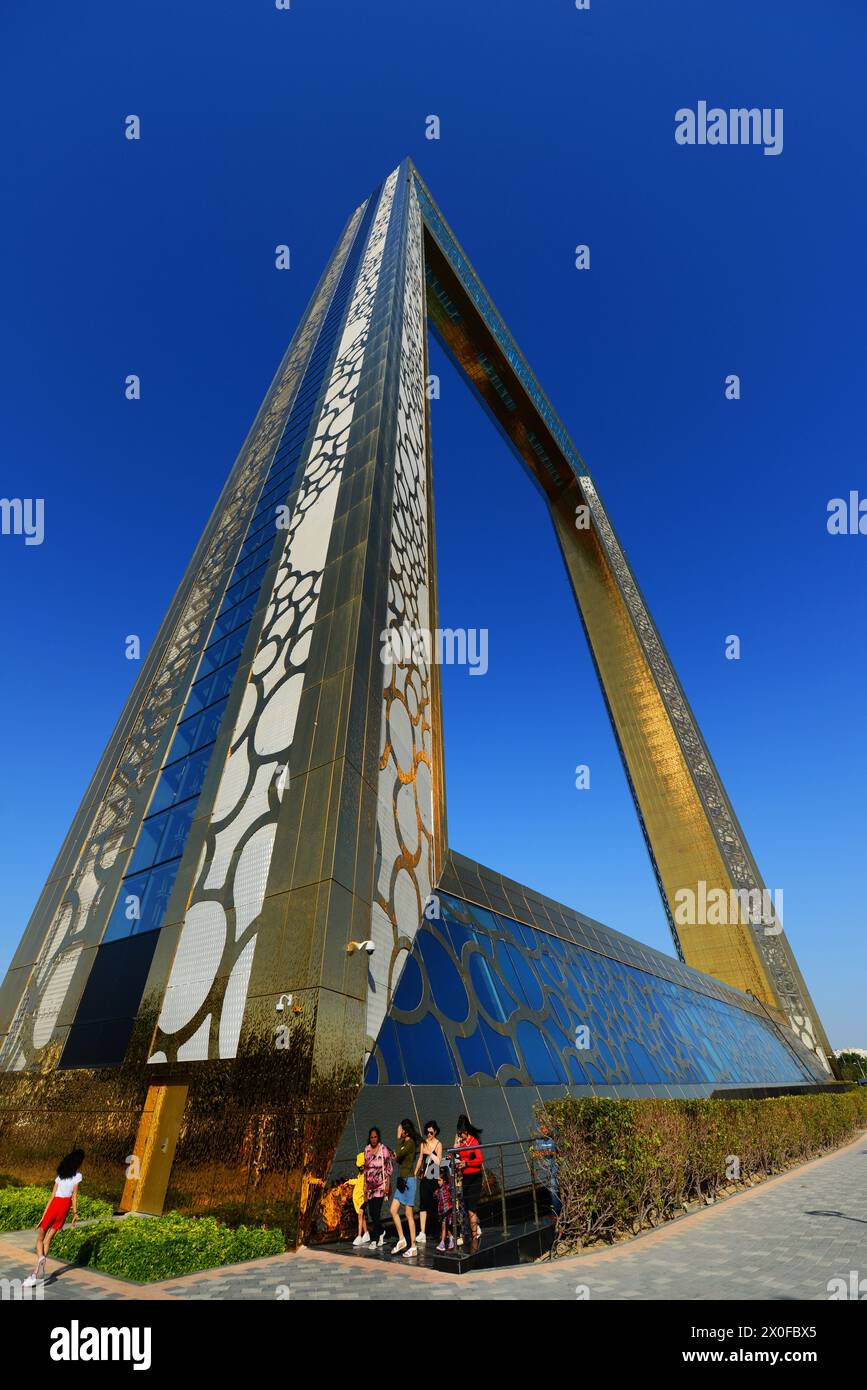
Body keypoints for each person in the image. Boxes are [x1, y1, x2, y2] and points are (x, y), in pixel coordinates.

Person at [24, 1148, 84, 1287]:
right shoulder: (78, 1176)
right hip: (64, 1207)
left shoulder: (59, 1176)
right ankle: (38, 1271)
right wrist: (75, 1213)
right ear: (78, 1163)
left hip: (54, 1205)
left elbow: (51, 1197)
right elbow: (74, 1196)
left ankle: (40, 1259)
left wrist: (43, 1216)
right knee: (48, 1240)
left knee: (39, 1239)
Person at [390, 1118, 420, 1257]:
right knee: (393, 1210)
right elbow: (397, 1157)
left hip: (409, 1181)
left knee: (409, 1215)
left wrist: (397, 1138)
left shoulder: (411, 1143)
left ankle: (413, 1247)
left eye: (401, 1129)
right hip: (402, 1180)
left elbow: (399, 1154)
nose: (399, 1131)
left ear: (405, 1131)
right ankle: (402, 1240)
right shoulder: (404, 1143)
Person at [453, 1114, 484, 1241]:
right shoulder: (461, 1144)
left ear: (466, 1132)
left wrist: (467, 1163)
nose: (460, 1136)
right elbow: (455, 1156)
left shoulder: (473, 1142)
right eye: (458, 1134)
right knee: (467, 1207)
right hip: (465, 1177)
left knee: (471, 1208)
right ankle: (476, 1228)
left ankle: (474, 1237)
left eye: (461, 1134)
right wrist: (455, 1147)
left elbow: (479, 1160)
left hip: (475, 1176)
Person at [362, 1126, 392, 1248]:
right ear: (369, 1138)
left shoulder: (383, 1149)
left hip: (380, 1185)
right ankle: (381, 1232)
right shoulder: (367, 1150)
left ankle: (374, 1239)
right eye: (371, 1137)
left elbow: (389, 1167)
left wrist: (387, 1185)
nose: (373, 1139)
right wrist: (364, 1185)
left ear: (378, 1137)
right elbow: (365, 1168)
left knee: (376, 1212)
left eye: (375, 1137)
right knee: (371, 1212)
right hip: (370, 1186)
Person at [414, 1119, 442, 1245]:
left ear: (435, 1132)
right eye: (427, 1132)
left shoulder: (438, 1144)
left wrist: (430, 1153)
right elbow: (420, 1159)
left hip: (434, 1177)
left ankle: (440, 1232)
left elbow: (438, 1162)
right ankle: (422, 1232)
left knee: (436, 1205)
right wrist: (415, 1172)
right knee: (423, 1205)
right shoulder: (423, 1143)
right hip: (425, 1178)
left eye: (431, 1132)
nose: (428, 1135)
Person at [532, 1120, 561, 1217]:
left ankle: (557, 1212)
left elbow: (558, 1152)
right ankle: (555, 1211)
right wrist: (543, 1153)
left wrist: (550, 1153)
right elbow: (536, 1154)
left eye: (546, 1128)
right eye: (542, 1129)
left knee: (553, 1188)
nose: (544, 1131)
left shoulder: (552, 1139)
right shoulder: (538, 1141)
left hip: (554, 1167)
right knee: (551, 1188)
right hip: (545, 1168)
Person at [351, 1150, 369, 1245]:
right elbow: (357, 1181)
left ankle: (359, 1236)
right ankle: (366, 1233)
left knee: (360, 1215)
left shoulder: (366, 1174)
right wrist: (349, 1182)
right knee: (362, 1217)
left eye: (361, 1166)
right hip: (357, 1199)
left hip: (363, 1198)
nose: (360, 1168)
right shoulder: (360, 1175)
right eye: (359, 1167)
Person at [435, 1163, 454, 1252]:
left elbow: (451, 1183)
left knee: (447, 1227)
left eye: (440, 1180)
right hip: (442, 1212)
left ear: (444, 1181)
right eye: (437, 1180)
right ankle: (448, 1241)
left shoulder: (448, 1187)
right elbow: (436, 1197)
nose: (438, 1182)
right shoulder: (438, 1191)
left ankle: (444, 1242)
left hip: (449, 1211)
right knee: (445, 1227)